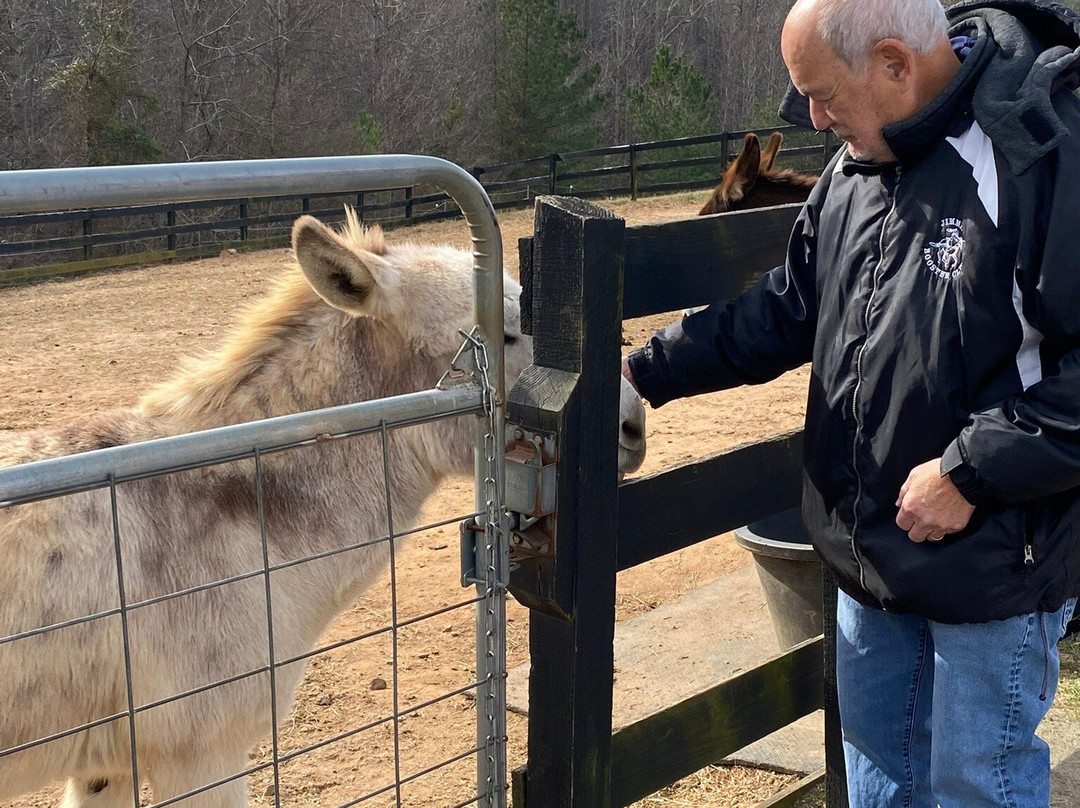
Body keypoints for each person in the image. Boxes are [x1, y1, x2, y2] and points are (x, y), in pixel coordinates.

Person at [622, 1, 1080, 805]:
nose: (810, 115)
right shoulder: (855, 165)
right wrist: (644, 373)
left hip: (992, 567)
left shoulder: (1040, 153)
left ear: (897, 63)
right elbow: (789, 308)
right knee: (876, 778)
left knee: (977, 784)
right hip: (867, 557)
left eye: (822, 93)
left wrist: (970, 474)